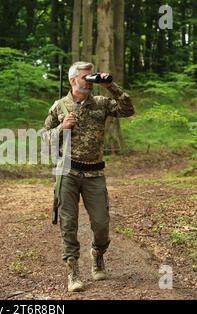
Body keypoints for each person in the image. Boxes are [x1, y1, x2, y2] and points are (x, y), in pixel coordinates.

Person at [43, 61, 135, 292]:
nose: (90, 80)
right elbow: (45, 139)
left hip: (95, 173)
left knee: (102, 224)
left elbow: (128, 109)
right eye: (87, 77)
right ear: (73, 80)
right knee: (69, 223)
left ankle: (98, 253)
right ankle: (73, 271)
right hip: (68, 173)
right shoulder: (59, 107)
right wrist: (61, 128)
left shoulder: (101, 103)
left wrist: (110, 85)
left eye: (92, 76)